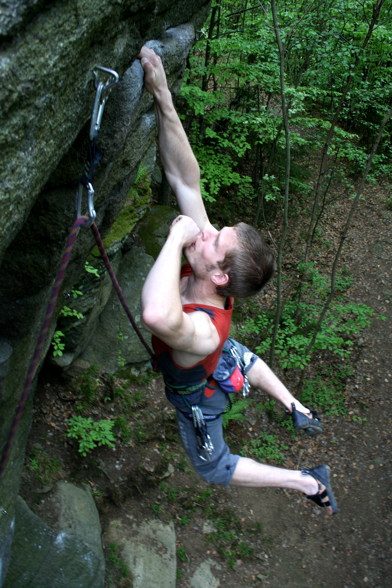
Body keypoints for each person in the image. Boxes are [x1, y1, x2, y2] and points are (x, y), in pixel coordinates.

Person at [139, 45, 337, 515]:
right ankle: (294, 404)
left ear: (220, 273)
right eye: (214, 229)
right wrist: (163, 95)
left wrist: (174, 239)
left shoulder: (203, 321)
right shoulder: (212, 269)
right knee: (237, 356)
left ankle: (306, 481)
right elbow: (186, 179)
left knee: (214, 465)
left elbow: (156, 313)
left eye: (214, 238)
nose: (206, 230)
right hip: (211, 351)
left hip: (198, 394)